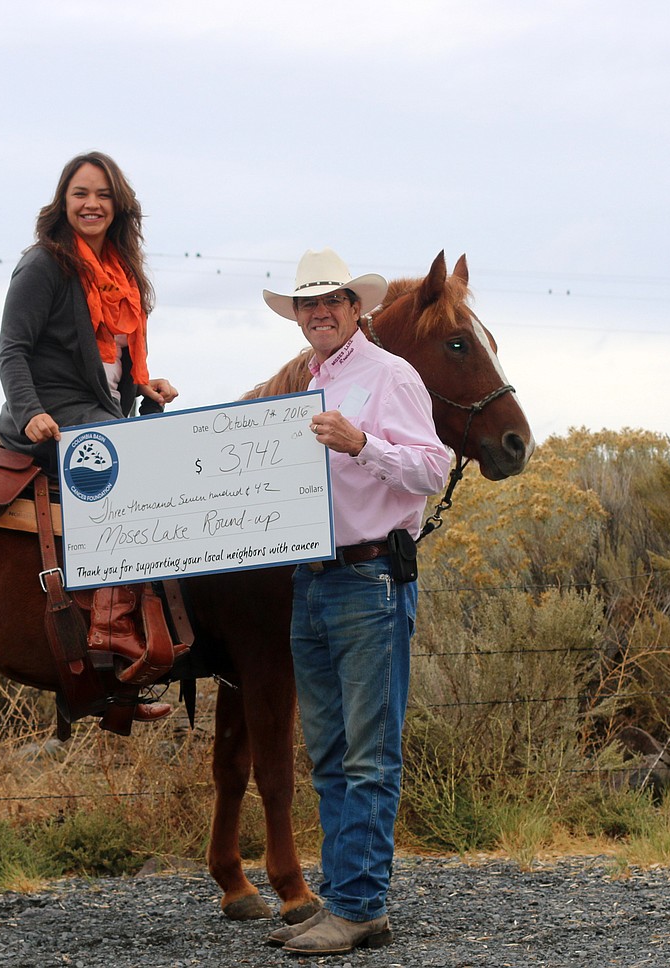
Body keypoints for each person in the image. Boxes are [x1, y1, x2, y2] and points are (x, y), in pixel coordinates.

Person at [261, 248, 449, 956]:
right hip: (313, 579)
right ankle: (346, 900)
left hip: (370, 579)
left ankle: (362, 904)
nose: (319, 313)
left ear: (355, 307)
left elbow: (434, 465)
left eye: (331, 301)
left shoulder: (390, 376)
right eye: (307, 305)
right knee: (333, 753)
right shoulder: (310, 384)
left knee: (367, 752)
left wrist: (364, 443)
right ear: (300, 316)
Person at [0, 152, 178, 724]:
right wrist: (29, 412)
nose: (91, 203)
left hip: (98, 413)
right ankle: (108, 625)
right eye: (79, 194)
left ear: (118, 204)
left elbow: (112, 368)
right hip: (54, 416)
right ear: (63, 203)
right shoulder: (45, 266)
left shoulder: (122, 274)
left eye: (101, 194)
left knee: (177, 453)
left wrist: (145, 384)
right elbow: (13, 349)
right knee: (129, 465)